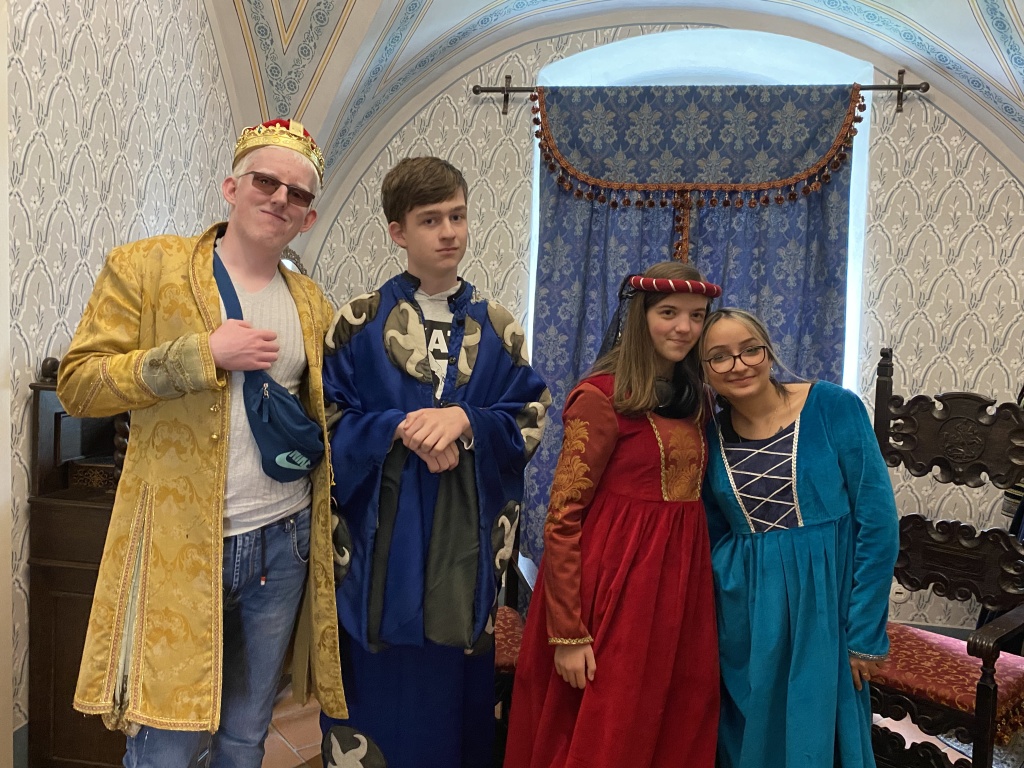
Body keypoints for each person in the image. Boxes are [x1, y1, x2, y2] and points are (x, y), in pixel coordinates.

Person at [56, 118, 347, 767]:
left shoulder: (312, 304)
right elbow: (78, 385)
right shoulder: (147, 267)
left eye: (297, 193)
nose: (279, 198)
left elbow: (329, 413)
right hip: (178, 545)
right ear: (231, 187)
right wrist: (200, 355)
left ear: (308, 217)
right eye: (265, 181)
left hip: (284, 543)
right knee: (167, 741)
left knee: (245, 736)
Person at [320, 156, 551, 768]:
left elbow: (531, 413)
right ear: (398, 231)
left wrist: (468, 422)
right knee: (375, 698)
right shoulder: (358, 323)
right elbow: (325, 419)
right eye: (430, 220)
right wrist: (401, 428)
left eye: (457, 216)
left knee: (456, 707)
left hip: (463, 550)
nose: (449, 232)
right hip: (378, 552)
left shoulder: (498, 327)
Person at [504, 261, 722, 768]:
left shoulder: (697, 399)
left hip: (680, 588)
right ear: (641, 317)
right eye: (669, 313)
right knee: (607, 729)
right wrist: (568, 631)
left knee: (673, 721)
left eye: (696, 315)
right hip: (610, 593)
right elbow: (562, 517)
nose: (684, 327)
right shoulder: (601, 397)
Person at [699, 308, 899, 768]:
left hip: (824, 609)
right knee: (751, 737)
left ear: (769, 352)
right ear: (704, 371)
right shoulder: (708, 435)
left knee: (819, 736)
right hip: (748, 614)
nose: (738, 365)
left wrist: (865, 632)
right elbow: (710, 532)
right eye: (720, 357)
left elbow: (877, 524)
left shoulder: (832, 406)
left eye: (750, 350)